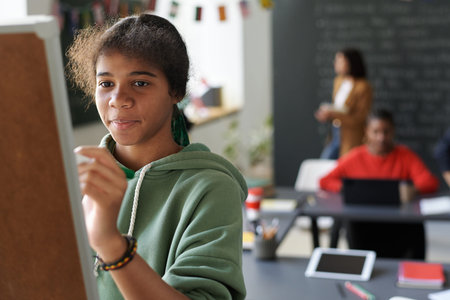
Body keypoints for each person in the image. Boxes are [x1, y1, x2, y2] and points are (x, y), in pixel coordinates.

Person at [67, 14, 247, 299]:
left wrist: (111, 244)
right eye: (106, 83)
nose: (118, 99)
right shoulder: (77, 178)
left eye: (140, 83)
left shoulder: (211, 188)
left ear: (175, 91)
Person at [319, 109, 439, 259]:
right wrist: (345, 188)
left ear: (393, 131)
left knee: (415, 226)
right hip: (363, 226)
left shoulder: (405, 155)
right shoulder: (356, 156)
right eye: (375, 132)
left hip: (399, 225)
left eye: (386, 132)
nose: (381, 137)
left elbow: (430, 181)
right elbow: (325, 180)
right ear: (366, 131)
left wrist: (414, 189)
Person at [315, 48, 373, 159]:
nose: (336, 64)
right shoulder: (338, 81)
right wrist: (328, 114)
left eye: (340, 61)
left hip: (351, 135)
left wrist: (333, 115)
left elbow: (360, 118)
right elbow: (338, 107)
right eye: (336, 60)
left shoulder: (363, 87)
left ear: (351, 63)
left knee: (346, 163)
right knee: (325, 161)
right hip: (336, 131)